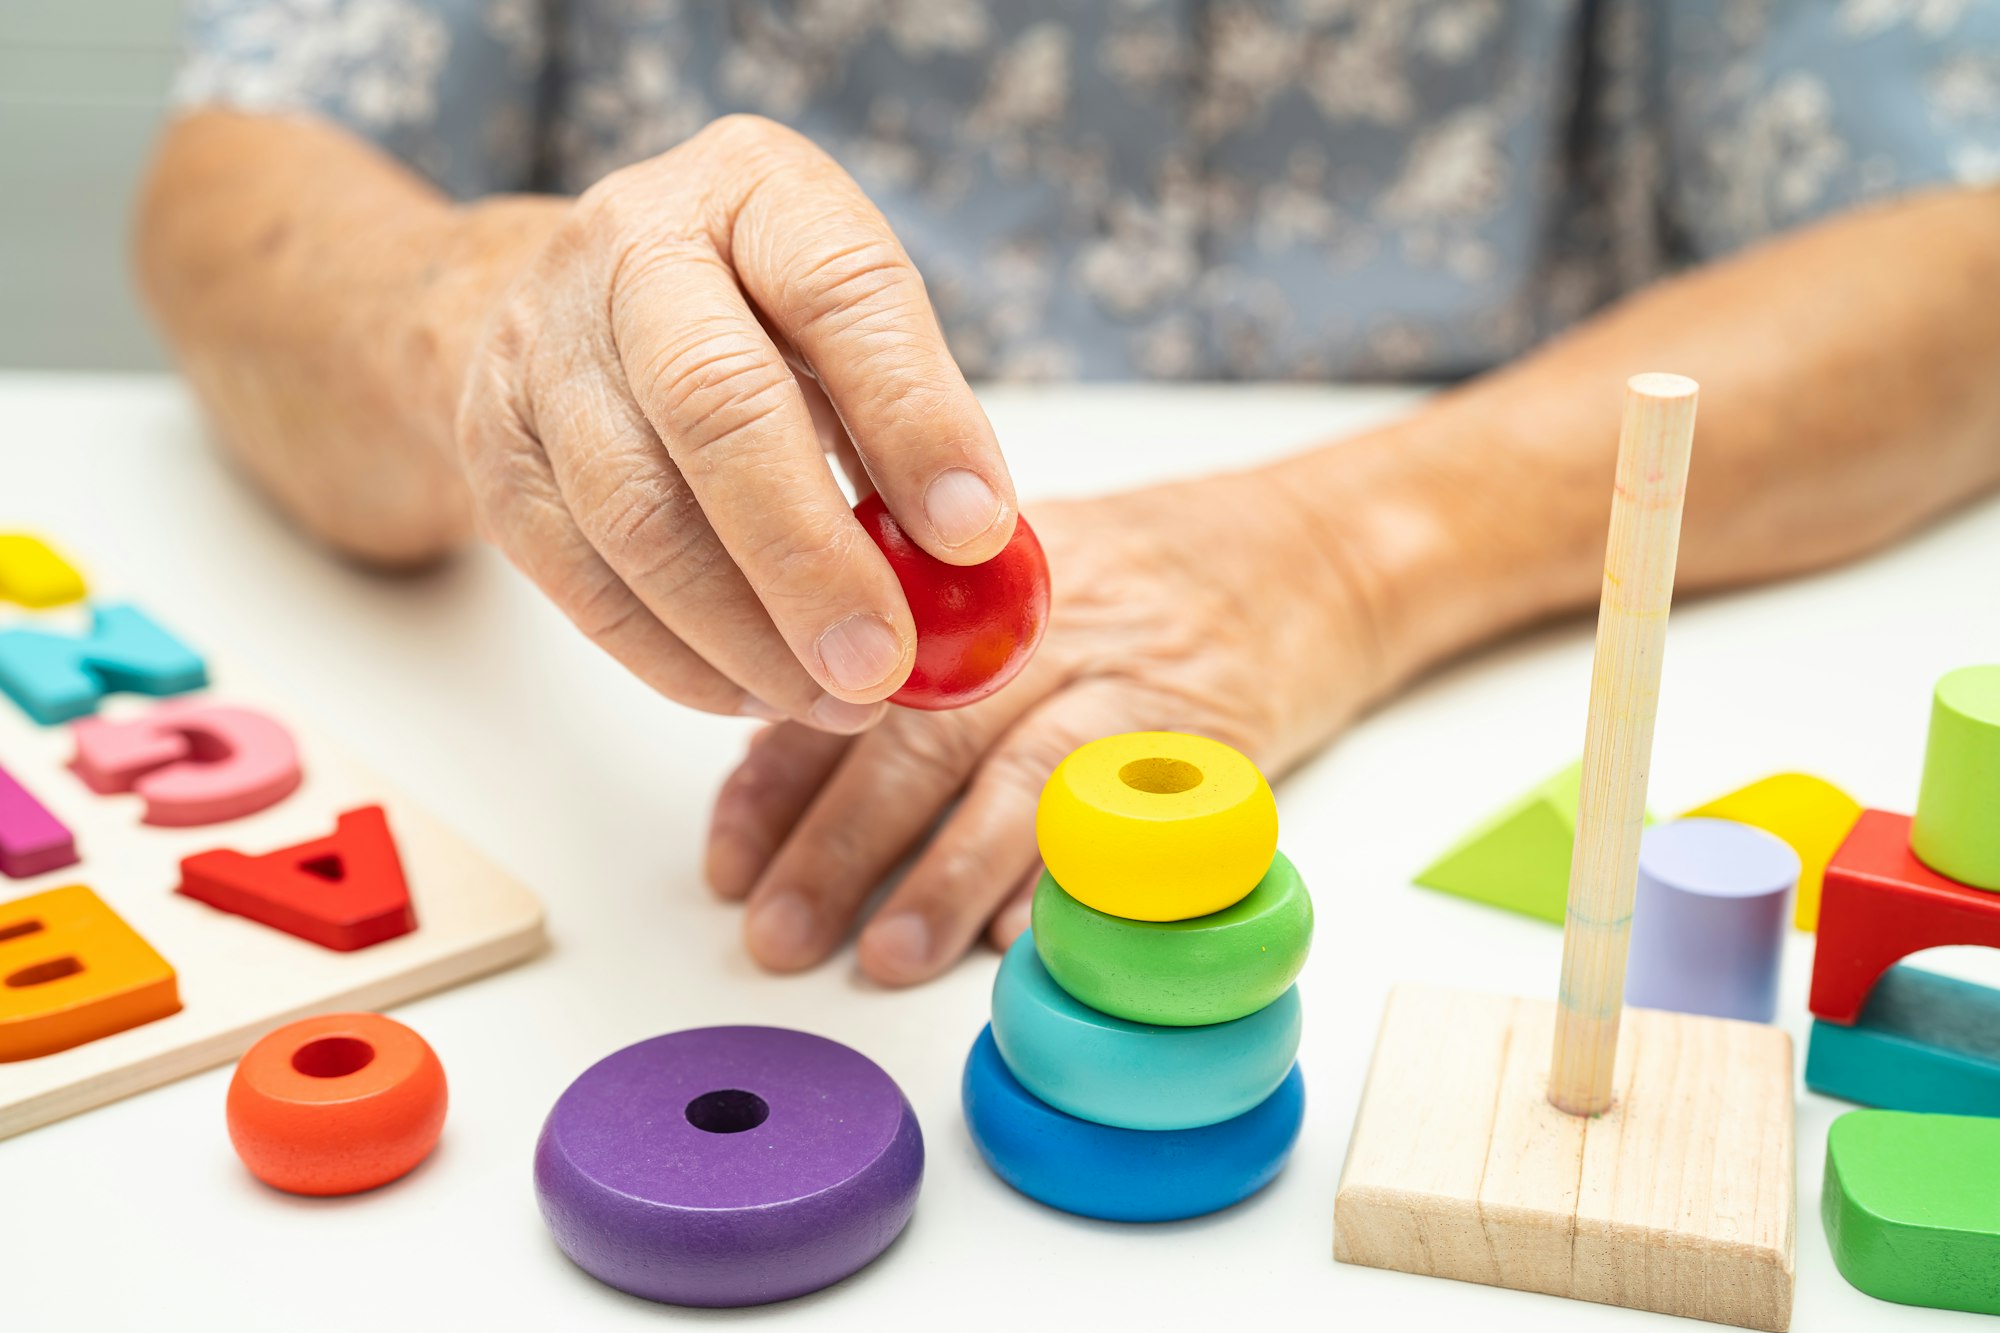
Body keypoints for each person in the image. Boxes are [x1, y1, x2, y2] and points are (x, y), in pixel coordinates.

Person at [138, 2, 2000, 986]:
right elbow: (228, 188)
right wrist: (488, 321)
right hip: (646, 824)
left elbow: (1962, 240)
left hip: (1487, 658)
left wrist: (1338, 550)